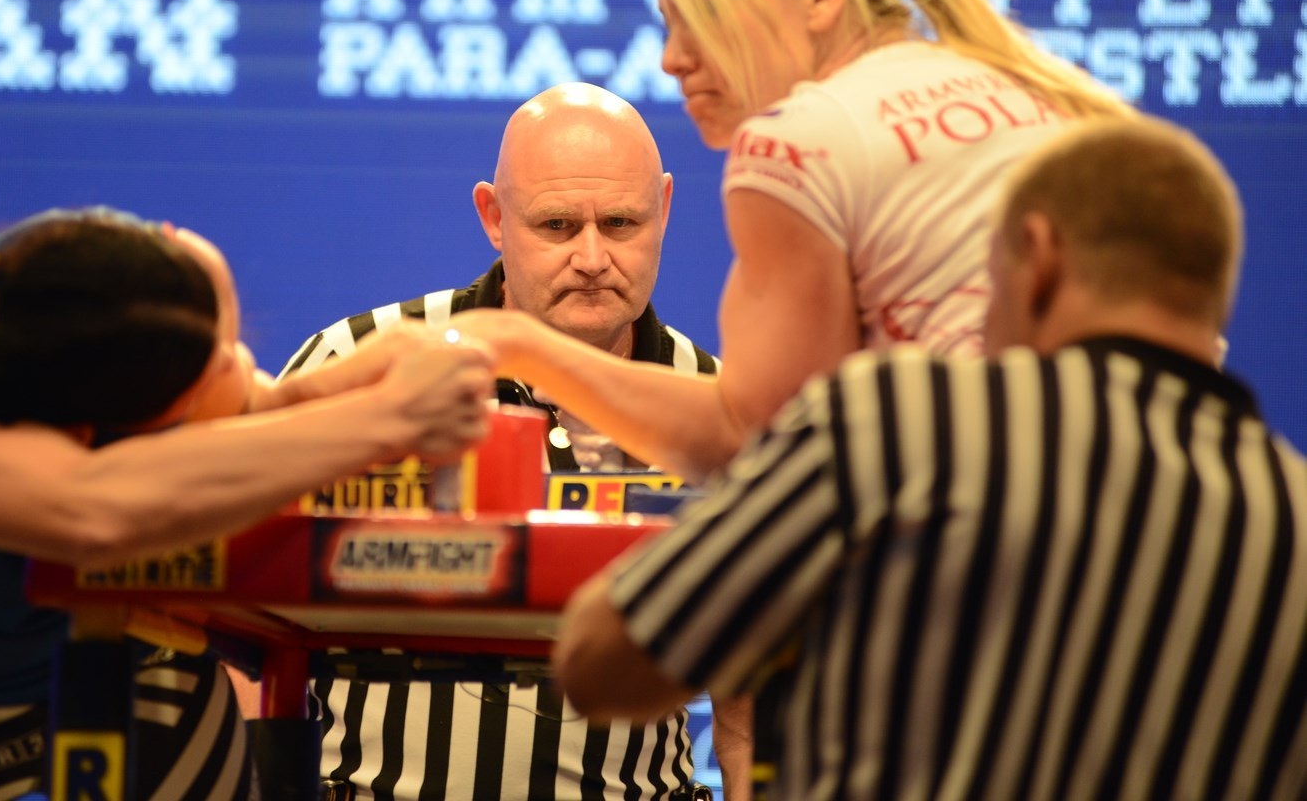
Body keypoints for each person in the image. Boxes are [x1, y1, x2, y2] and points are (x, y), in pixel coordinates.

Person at [551, 118, 1307, 801]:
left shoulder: (904, 419)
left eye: (987, 276)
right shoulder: (1293, 521)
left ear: (1039, 257)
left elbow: (604, 661)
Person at [451, 0, 1133, 484]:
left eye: (701, 17)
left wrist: (516, 345)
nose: (672, 58)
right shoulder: (1037, 95)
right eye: (669, 22)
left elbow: (755, 443)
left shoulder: (797, 141)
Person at [0, 207, 494, 801]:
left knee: (178, 687)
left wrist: (357, 382)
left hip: (122, 667)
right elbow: (90, 510)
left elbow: (258, 412)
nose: (239, 367)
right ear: (81, 407)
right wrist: (389, 418)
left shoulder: (117, 318)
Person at [279, 84, 739, 799]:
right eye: (558, 225)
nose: (593, 257)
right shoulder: (354, 362)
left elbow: (749, 696)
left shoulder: (719, 405)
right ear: (493, 217)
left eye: (621, 222)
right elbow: (241, 623)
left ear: (666, 208)